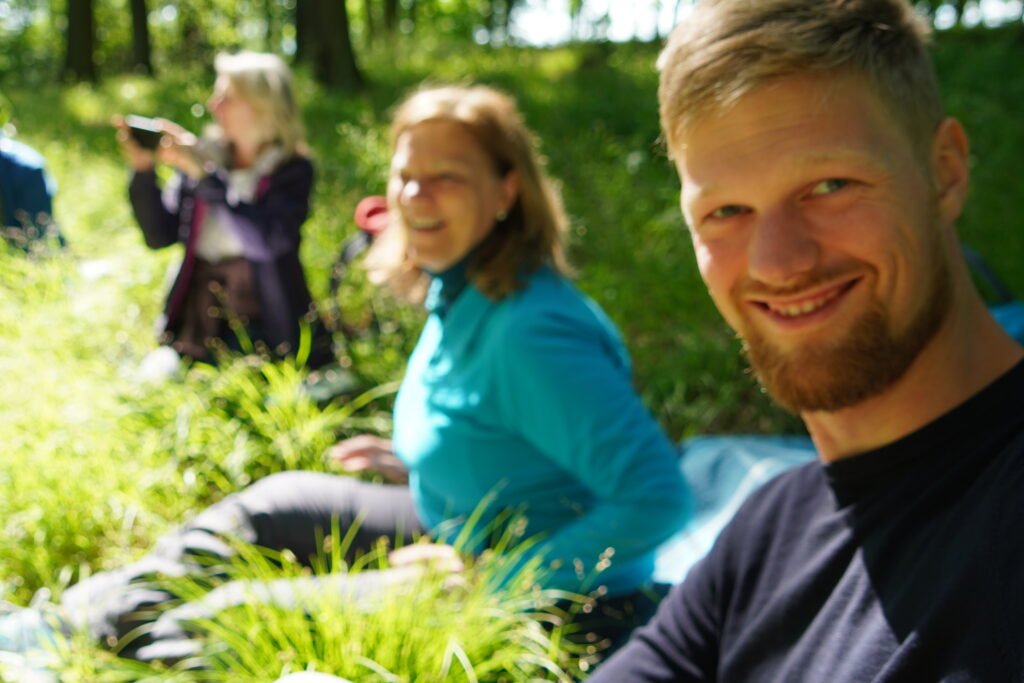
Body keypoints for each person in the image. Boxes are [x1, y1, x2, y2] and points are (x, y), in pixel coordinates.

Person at [11, 84, 689, 665]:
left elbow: (659, 498)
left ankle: (67, 657)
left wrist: (492, 578)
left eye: (447, 176)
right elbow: (507, 426)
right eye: (404, 174)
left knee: (235, 614)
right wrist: (420, 457)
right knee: (268, 505)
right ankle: (65, 622)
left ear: (507, 189)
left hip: (556, 595)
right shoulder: (462, 287)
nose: (416, 195)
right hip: (456, 517)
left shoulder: (532, 329)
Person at [590, 1, 1024, 681]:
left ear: (944, 170)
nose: (778, 262)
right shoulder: (768, 533)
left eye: (829, 185)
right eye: (726, 211)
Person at [117, 51, 329, 367]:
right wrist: (144, 171)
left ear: (262, 106)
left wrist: (206, 177)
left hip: (265, 315)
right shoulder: (205, 156)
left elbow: (266, 242)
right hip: (197, 315)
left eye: (226, 97)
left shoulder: (291, 169)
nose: (214, 105)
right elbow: (160, 235)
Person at [0, 130, 64, 251]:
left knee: (33, 236)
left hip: (28, 185)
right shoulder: (13, 150)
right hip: (34, 181)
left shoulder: (16, 162)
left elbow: (8, 199)